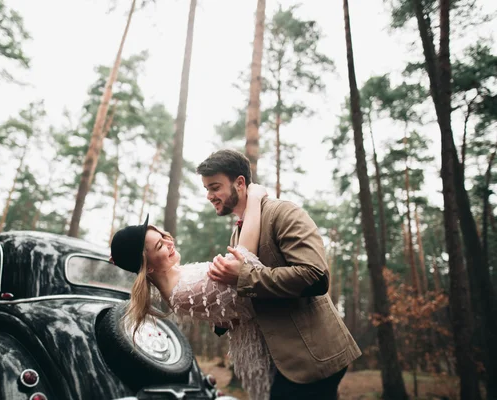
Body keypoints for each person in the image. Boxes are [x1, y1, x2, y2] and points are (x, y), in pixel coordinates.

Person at [196, 149, 361, 399]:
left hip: (312, 358)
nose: (209, 196)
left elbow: (315, 276)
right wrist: (224, 317)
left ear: (240, 183)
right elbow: (252, 296)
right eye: (207, 189)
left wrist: (243, 277)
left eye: (215, 187)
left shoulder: (283, 212)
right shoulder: (237, 235)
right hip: (281, 364)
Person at [110, 184, 274, 399]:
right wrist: (254, 198)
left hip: (271, 345)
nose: (169, 242)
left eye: (163, 236)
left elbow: (228, 315)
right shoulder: (181, 291)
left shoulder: (180, 275)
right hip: (270, 357)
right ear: (148, 267)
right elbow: (244, 259)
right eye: (160, 246)